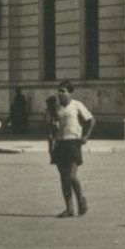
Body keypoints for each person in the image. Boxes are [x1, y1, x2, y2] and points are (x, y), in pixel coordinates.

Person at [50, 81, 95, 217]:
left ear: (70, 93)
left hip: (73, 143)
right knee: (63, 178)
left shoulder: (77, 105)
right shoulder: (55, 107)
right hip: (59, 143)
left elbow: (91, 120)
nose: (60, 93)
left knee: (71, 175)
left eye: (63, 91)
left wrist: (86, 136)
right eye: (59, 90)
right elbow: (50, 128)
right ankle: (69, 208)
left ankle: (81, 199)